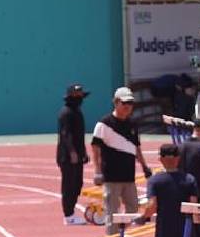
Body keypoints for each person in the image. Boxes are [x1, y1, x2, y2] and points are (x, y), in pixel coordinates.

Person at [90, 87, 143, 221]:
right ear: (116, 102)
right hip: (111, 176)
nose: (128, 106)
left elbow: (136, 147)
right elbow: (95, 148)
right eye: (124, 103)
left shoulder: (132, 124)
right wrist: (97, 171)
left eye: (130, 103)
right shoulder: (104, 124)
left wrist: (145, 166)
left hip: (129, 175)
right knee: (112, 213)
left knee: (133, 209)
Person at [57, 82, 89, 224]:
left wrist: (83, 152)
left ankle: (71, 212)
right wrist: (72, 152)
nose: (80, 98)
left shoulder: (77, 111)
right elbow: (66, 134)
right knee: (69, 185)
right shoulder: (66, 113)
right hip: (67, 156)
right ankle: (68, 216)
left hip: (78, 154)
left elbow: (79, 136)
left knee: (78, 184)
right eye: (77, 96)